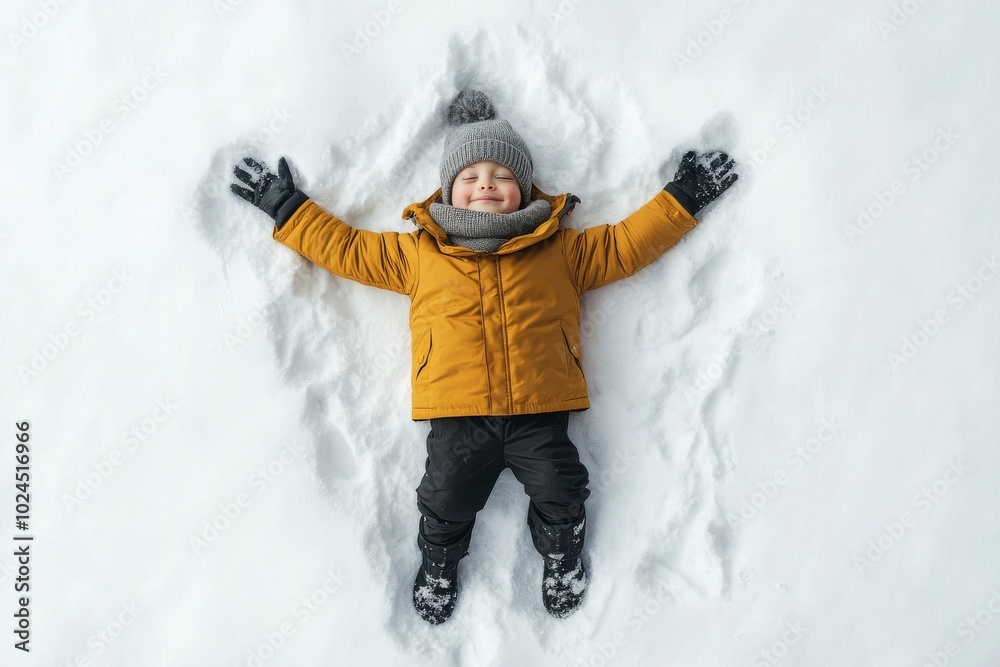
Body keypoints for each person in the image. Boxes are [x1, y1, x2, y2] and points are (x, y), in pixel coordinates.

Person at [230, 89, 737, 624]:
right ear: (450, 191)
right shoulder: (419, 253)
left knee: (562, 487)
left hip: (540, 409)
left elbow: (625, 245)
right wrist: (287, 208)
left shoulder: (560, 249)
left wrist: (682, 198)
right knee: (444, 496)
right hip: (459, 412)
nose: (486, 185)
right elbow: (349, 249)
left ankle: (560, 551)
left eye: (501, 176)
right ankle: (439, 561)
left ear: (524, 189)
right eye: (471, 178)